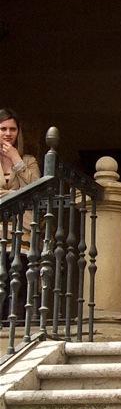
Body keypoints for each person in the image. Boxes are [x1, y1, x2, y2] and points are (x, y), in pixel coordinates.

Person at [0, 108, 41, 323]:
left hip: (22, 230)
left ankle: (13, 322)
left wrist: (16, 159)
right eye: (3, 128)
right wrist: (16, 193)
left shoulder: (28, 160)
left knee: (19, 278)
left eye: (12, 129)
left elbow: (38, 189)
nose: (8, 133)